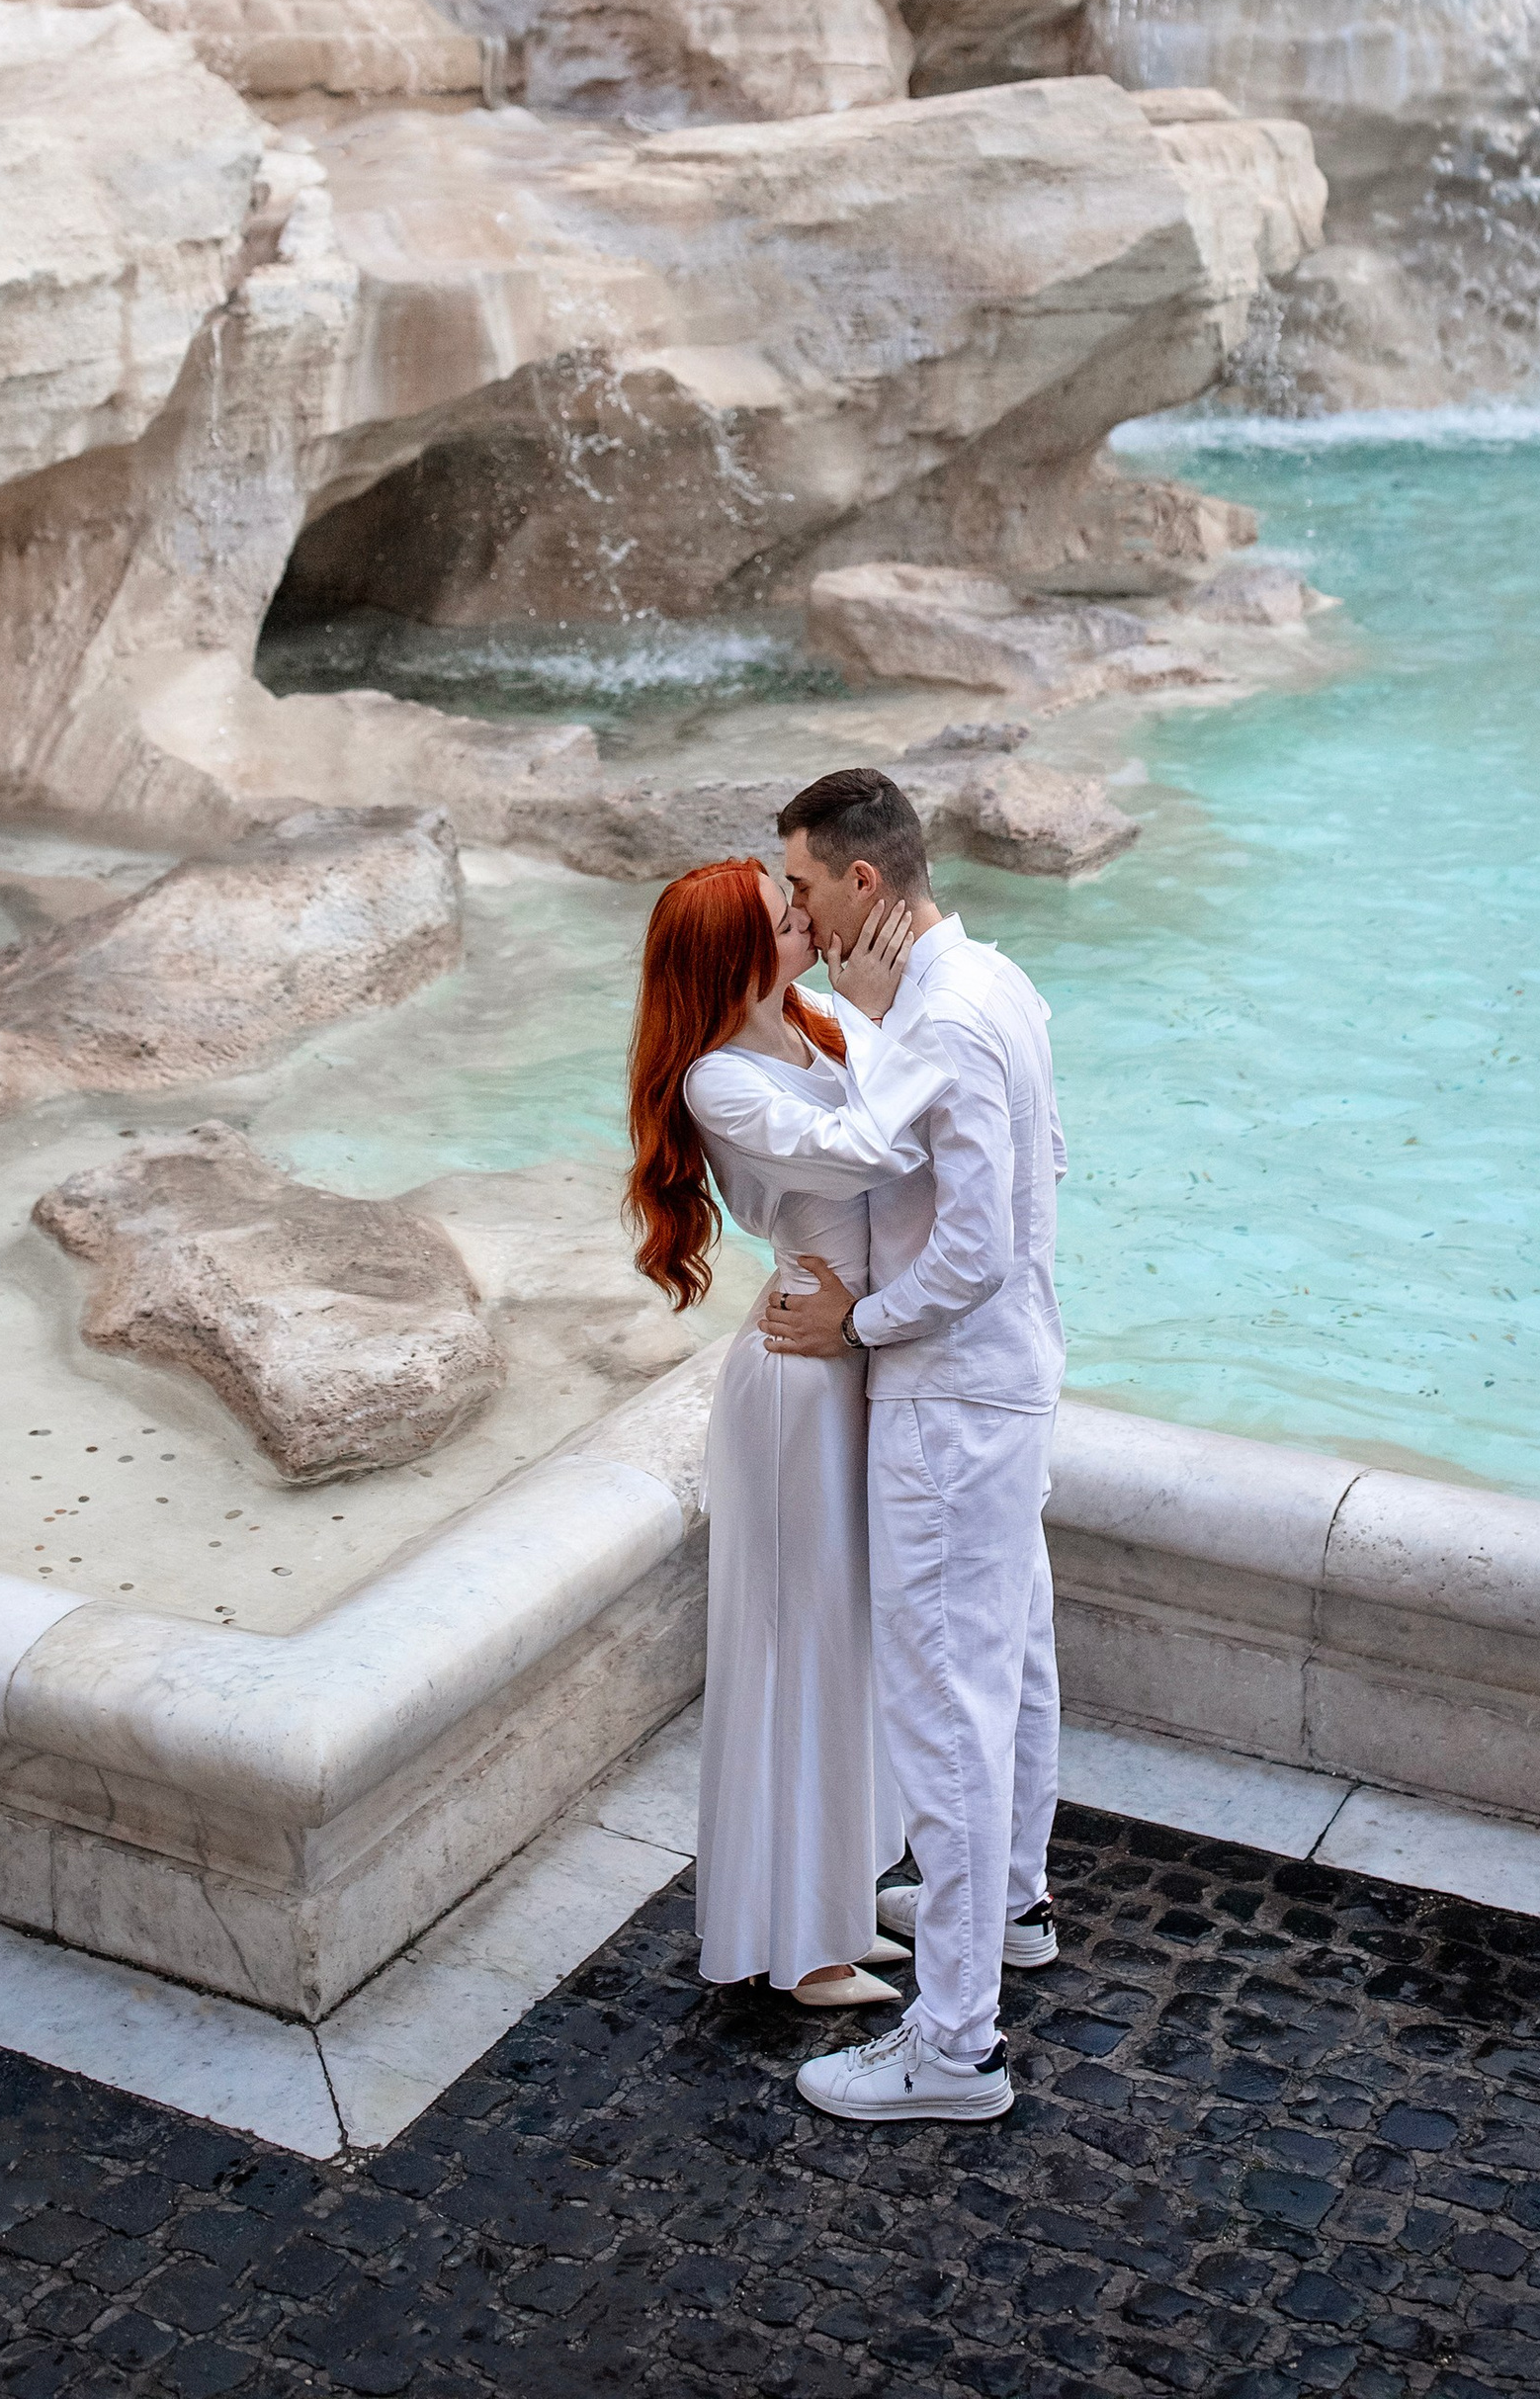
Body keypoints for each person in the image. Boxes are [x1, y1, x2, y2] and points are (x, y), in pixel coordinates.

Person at [759, 767, 1065, 2126]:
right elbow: (1040, 1166)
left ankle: (954, 2048)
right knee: (1015, 1663)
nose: (798, 912)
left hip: (949, 1402)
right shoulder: (993, 981)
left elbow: (977, 1248)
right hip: (1014, 1389)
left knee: (946, 1706)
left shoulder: (940, 1020)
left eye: (807, 887)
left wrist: (861, 1324)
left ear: (863, 882)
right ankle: (1008, 1908)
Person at [626, 858, 951, 2010]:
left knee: (846, 1639)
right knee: (789, 1644)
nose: (806, 917)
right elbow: (869, 1154)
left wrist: (868, 1023)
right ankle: (794, 1944)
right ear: (738, 953)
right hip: (796, 1386)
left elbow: (900, 1142)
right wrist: (883, 1019)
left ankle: (837, 1892)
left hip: (848, 1355)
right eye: (783, 915)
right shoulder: (720, 1079)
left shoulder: (810, 1025)